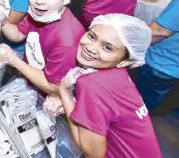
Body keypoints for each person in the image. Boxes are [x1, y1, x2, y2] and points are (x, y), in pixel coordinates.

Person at [56, 14, 162, 158]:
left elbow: (93, 153)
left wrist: (65, 93)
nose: (91, 48)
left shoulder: (92, 84)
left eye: (107, 48)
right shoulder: (119, 75)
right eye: (92, 36)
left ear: (125, 61)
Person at [0, 0, 85, 95]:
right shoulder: (39, 14)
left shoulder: (66, 40)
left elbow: (54, 87)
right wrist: (4, 22)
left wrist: (14, 60)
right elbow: (18, 35)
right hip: (29, 74)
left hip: (44, 93)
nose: (39, 1)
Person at [137, 0, 178, 112]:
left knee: (140, 105)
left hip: (161, 62)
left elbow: (159, 31)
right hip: (172, 66)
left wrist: (129, 50)